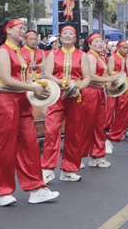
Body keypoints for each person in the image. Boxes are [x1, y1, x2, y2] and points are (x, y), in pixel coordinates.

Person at [0, 18, 59, 206]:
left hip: (22, 101)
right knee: (5, 148)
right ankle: (1, 193)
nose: (23, 31)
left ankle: (36, 188)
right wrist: (33, 88)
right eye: (20, 28)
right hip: (6, 102)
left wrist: (39, 86)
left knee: (29, 145)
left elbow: (26, 78)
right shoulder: (3, 51)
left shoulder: (21, 52)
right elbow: (6, 79)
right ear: (9, 31)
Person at [41, 26, 91, 183]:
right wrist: (63, 83)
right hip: (57, 96)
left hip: (75, 97)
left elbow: (87, 77)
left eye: (71, 34)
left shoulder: (82, 56)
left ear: (75, 38)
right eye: (65, 34)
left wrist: (76, 88)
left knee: (74, 133)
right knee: (51, 131)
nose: (68, 36)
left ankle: (69, 169)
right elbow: (47, 74)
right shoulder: (53, 54)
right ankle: (47, 169)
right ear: (60, 38)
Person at [81, 33, 120, 168]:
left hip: (98, 92)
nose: (99, 43)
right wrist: (108, 79)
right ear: (90, 44)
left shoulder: (99, 56)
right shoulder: (90, 56)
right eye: (96, 42)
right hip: (90, 92)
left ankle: (97, 156)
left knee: (99, 126)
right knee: (87, 126)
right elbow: (90, 76)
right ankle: (77, 157)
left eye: (101, 41)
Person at [105, 40, 128, 131]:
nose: (126, 50)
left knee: (122, 106)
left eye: (127, 48)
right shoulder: (113, 57)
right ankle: (108, 126)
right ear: (118, 48)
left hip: (125, 84)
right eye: (124, 48)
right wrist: (118, 76)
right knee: (111, 106)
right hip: (114, 84)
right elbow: (110, 71)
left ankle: (120, 126)